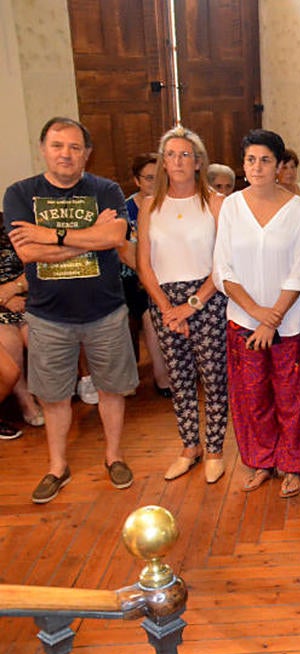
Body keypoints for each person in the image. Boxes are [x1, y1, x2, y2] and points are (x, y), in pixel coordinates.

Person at [4, 116, 140, 503]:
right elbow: (27, 252)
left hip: (107, 311)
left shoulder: (106, 189)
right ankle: (57, 467)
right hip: (48, 316)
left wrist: (53, 235)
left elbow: (115, 236)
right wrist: (90, 240)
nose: (66, 154)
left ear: (87, 154)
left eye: (75, 147)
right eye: (58, 146)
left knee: (111, 389)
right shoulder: (19, 193)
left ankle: (114, 457)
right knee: (54, 397)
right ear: (43, 149)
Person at [213, 128, 300, 498]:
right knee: (251, 396)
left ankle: (293, 465)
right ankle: (261, 461)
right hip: (243, 320)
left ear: (279, 166)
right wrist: (257, 314)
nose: (257, 167)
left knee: (291, 397)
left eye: (265, 160)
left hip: (288, 323)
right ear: (243, 165)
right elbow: (223, 268)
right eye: (250, 160)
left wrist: (272, 318)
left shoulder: (297, 210)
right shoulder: (230, 206)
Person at [137, 126, 229, 484]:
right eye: (171, 155)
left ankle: (216, 449)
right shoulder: (150, 206)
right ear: (163, 163)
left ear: (197, 163)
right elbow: (143, 264)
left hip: (206, 298)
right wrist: (166, 308)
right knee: (179, 378)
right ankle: (190, 447)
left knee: (214, 378)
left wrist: (191, 305)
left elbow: (223, 264)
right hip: (164, 301)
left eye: (185, 155)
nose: (177, 161)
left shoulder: (214, 202)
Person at [122, 153, 171, 398]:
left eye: (160, 177)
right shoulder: (125, 208)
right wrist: (146, 275)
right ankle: (161, 376)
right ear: (137, 180)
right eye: (149, 178)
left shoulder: (171, 204)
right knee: (150, 315)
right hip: (131, 278)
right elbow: (123, 249)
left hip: (167, 274)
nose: (155, 182)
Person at [0, 227, 40, 437]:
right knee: (11, 344)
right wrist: (5, 299)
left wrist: (15, 288)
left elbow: (34, 264)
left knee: (37, 338)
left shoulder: (9, 225)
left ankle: (51, 400)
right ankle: (26, 403)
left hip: (24, 296)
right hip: (2, 306)